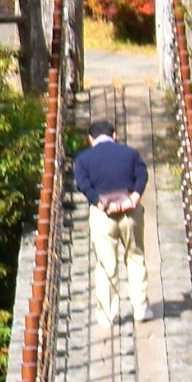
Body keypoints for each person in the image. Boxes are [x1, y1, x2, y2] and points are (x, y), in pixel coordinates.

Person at [73, 128, 152, 329]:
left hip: (103, 215)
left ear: (90, 139)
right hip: (130, 213)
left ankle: (108, 315)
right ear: (114, 135)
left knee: (106, 264)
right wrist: (134, 198)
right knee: (135, 257)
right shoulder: (130, 153)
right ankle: (141, 307)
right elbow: (142, 175)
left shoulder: (83, 158)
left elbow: (82, 183)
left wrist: (99, 202)